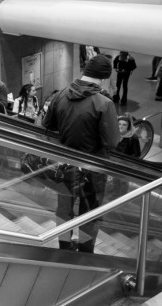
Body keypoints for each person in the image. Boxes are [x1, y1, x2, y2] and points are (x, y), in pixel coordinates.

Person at [43, 54, 121, 253]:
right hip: (93, 170)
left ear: (85, 72)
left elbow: (48, 125)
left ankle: (64, 246)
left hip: (63, 165)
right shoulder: (104, 103)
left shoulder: (60, 94)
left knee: (64, 208)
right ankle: (86, 251)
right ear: (103, 78)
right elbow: (111, 142)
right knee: (90, 213)